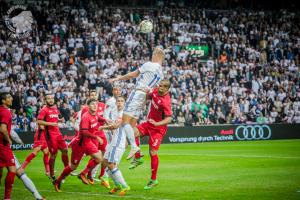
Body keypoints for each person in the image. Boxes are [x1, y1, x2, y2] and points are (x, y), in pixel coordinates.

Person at [109, 47, 165, 159]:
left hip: (138, 93)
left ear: (156, 55)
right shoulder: (161, 74)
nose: (151, 57)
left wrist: (117, 79)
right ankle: (134, 153)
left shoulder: (150, 64)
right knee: (132, 124)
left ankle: (134, 147)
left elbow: (132, 75)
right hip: (144, 97)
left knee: (124, 121)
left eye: (152, 55)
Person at [53, 99, 105, 192]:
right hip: (79, 144)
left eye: (96, 104)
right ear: (88, 106)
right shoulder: (86, 117)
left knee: (99, 158)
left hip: (88, 142)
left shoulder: (95, 114)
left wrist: (106, 120)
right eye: (92, 104)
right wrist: (96, 137)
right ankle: (58, 181)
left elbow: (98, 118)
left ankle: (83, 174)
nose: (95, 106)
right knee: (73, 167)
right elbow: (84, 131)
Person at [131, 79, 172, 190]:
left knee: (152, 152)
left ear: (167, 89)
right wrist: (144, 92)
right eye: (159, 85)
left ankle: (153, 180)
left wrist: (158, 123)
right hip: (148, 123)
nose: (160, 87)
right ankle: (138, 157)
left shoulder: (165, 102)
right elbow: (149, 96)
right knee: (132, 132)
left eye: (163, 86)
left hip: (158, 129)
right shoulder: (155, 91)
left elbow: (169, 118)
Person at [75, 90, 109, 188]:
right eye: (92, 95)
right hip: (91, 136)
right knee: (97, 157)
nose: (94, 96)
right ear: (89, 97)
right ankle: (88, 174)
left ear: (98, 96)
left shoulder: (102, 105)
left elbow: (98, 117)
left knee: (104, 154)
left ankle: (97, 175)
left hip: (100, 133)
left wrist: (105, 120)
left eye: (95, 94)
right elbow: (83, 126)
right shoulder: (86, 110)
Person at [100, 96, 131, 196]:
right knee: (104, 162)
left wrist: (103, 127)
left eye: (122, 101)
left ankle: (125, 186)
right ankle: (117, 185)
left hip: (117, 143)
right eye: (118, 101)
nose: (119, 103)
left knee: (112, 164)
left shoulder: (123, 114)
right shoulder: (115, 113)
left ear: (124, 104)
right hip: (113, 142)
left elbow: (116, 126)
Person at [37, 93, 69, 181]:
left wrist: (59, 120)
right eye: (48, 98)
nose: (50, 100)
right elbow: (39, 121)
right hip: (50, 134)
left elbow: (54, 119)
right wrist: (51, 123)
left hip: (58, 132)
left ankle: (67, 169)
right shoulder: (44, 110)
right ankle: (51, 173)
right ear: (45, 100)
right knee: (54, 154)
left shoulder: (55, 108)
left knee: (65, 150)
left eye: (52, 98)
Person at [10, 130, 45, 200]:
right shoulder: (5, 120)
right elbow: (8, 131)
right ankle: (37, 196)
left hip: (5, 149)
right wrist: (19, 140)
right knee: (20, 173)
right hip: (5, 150)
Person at [0, 92, 16, 200]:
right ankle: (7, 198)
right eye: (9, 97)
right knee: (12, 170)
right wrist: (8, 139)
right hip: (2, 145)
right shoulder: (6, 112)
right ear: (3, 101)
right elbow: (3, 128)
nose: (12, 99)